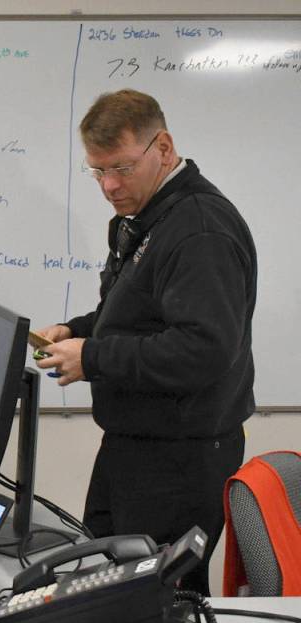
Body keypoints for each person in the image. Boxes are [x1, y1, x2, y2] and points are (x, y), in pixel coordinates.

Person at [33, 89, 257, 596]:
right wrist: (77, 331)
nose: (109, 186)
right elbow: (137, 313)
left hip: (179, 461)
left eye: (122, 168)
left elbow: (203, 349)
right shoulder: (148, 217)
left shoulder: (200, 230)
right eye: (97, 171)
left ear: (164, 148)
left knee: (154, 608)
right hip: (134, 448)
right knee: (104, 592)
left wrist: (93, 356)